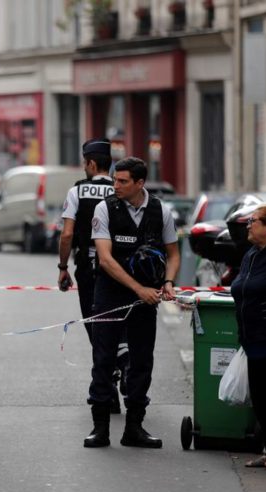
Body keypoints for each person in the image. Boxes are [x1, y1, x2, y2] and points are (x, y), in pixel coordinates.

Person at [85, 156, 179, 449]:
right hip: (111, 293)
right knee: (103, 359)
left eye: (123, 181)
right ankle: (100, 429)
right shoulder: (105, 209)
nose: (116, 186)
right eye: (115, 179)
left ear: (140, 183)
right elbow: (105, 259)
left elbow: (174, 253)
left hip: (146, 297)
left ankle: (134, 427)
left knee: (142, 360)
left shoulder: (160, 211)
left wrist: (167, 283)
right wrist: (138, 288)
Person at [58, 138, 128, 414]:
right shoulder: (120, 188)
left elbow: (66, 234)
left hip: (89, 266)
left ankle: (109, 387)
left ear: (89, 163)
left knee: (97, 326)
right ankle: (123, 363)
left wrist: (63, 267)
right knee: (119, 320)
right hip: (121, 266)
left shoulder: (77, 192)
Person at [230, 205, 266, 469]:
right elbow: (242, 285)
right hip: (252, 337)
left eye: (253, 221)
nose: (248, 225)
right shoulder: (252, 254)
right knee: (262, 397)